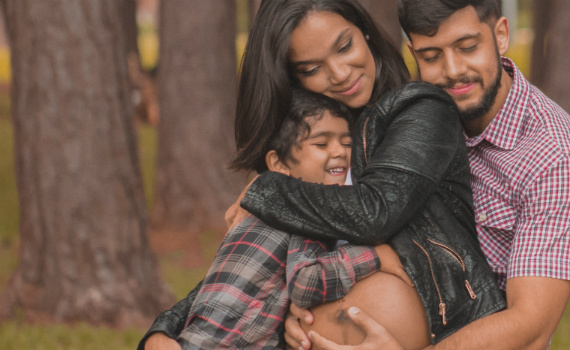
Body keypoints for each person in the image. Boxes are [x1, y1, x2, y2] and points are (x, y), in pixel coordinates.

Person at [139, 0, 507, 349]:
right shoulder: (309, 152)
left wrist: (268, 187)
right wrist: (167, 326)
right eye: (311, 69)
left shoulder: (421, 108)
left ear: (364, 32)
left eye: (343, 47)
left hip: (443, 326)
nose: (340, 73)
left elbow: (375, 212)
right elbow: (252, 261)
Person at [283, 1, 570, 349]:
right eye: (432, 55)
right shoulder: (410, 116)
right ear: (413, 52)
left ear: (500, 35)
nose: (452, 70)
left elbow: (530, 328)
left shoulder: (556, 160)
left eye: (468, 47)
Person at [166, 88, 412, 350]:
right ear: (279, 165)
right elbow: (305, 284)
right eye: (321, 143)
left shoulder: (258, 212)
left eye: (346, 142)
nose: (340, 151)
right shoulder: (303, 213)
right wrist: (376, 257)